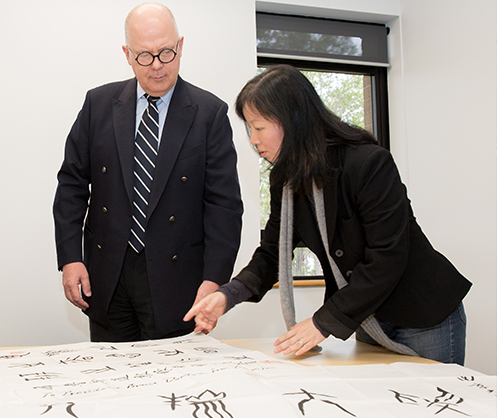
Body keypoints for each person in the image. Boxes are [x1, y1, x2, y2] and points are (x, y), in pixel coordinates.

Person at [184, 65, 471, 365]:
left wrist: (322, 322)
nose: (253, 140)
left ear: (292, 121)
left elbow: (388, 257)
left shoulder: (368, 164)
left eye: (259, 127)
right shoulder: (286, 181)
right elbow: (272, 255)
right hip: (367, 318)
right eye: (250, 129)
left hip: (422, 315)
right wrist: (227, 295)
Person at [53, 3, 243, 342]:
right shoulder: (99, 105)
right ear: (127, 54)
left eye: (166, 53)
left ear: (181, 46)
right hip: (107, 275)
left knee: (173, 386)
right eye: (144, 56)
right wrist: (70, 259)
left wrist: (214, 281)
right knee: (111, 380)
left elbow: (223, 206)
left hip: (178, 281)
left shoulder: (209, 113)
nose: (157, 67)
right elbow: (71, 184)